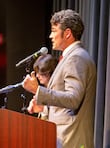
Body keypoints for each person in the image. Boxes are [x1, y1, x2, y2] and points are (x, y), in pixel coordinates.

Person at [22, 9, 97, 148]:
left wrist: (38, 90)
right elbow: (64, 105)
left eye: (54, 30)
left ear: (67, 33)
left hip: (71, 140)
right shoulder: (70, 57)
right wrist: (44, 109)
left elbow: (73, 99)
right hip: (65, 139)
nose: (51, 35)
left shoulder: (76, 58)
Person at [27, 54, 58, 120]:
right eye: (36, 72)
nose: (37, 76)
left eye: (40, 72)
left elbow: (60, 112)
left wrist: (43, 108)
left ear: (49, 71)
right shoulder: (45, 90)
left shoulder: (58, 90)